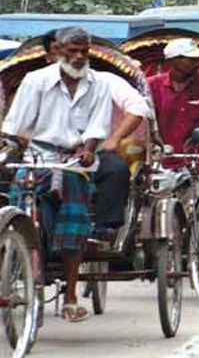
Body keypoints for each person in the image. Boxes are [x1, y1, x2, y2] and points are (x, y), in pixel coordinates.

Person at [1, 27, 113, 322]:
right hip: (37, 156)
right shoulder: (35, 81)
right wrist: (14, 144)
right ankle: (18, 267)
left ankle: (72, 296)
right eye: (71, 51)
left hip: (75, 160)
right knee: (17, 210)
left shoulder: (98, 84)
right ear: (56, 52)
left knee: (73, 226)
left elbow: (98, 126)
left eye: (83, 52)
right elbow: (15, 126)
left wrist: (89, 148)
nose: (78, 57)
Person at [40, 30, 140, 239]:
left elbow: (137, 108)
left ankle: (104, 230)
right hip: (46, 154)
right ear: (49, 57)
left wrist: (115, 139)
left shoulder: (106, 81)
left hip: (94, 152)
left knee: (116, 170)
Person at [148, 38, 199, 156]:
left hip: (196, 156)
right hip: (164, 155)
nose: (197, 63)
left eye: (197, 59)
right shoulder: (152, 85)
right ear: (174, 60)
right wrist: (154, 145)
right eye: (191, 60)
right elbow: (145, 122)